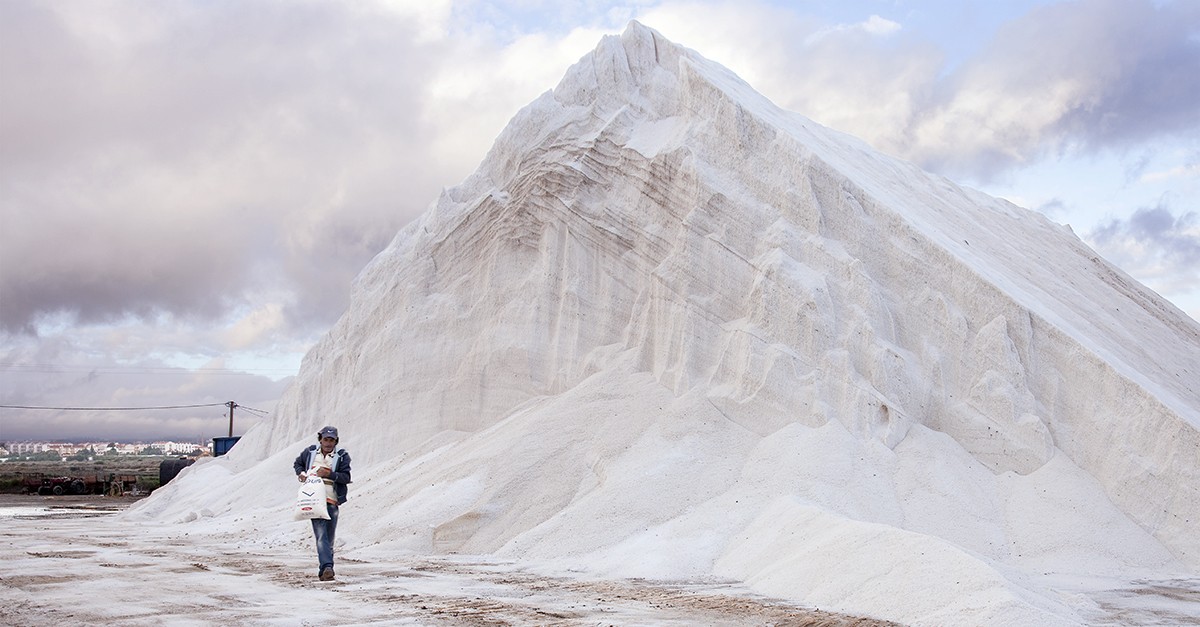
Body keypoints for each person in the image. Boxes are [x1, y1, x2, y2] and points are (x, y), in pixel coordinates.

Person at [293, 426, 352, 581]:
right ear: (320, 439)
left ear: (336, 441)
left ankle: (324, 570)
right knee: (321, 535)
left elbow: (346, 477)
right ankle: (327, 567)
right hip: (314, 501)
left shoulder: (341, 456)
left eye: (331, 440)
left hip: (332, 501)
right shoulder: (310, 453)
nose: (328, 443)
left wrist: (329, 474)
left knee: (329, 538)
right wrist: (301, 474)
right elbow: (298, 464)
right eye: (326, 439)